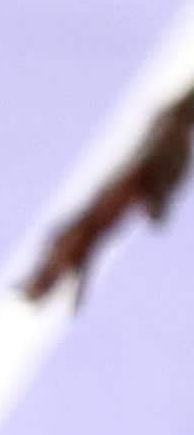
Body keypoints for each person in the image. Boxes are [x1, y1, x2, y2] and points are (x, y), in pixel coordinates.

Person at [25, 79, 194, 306]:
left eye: (45, 281)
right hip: (143, 178)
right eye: (47, 284)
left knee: (173, 124)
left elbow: (79, 241)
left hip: (141, 175)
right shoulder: (71, 249)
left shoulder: (66, 246)